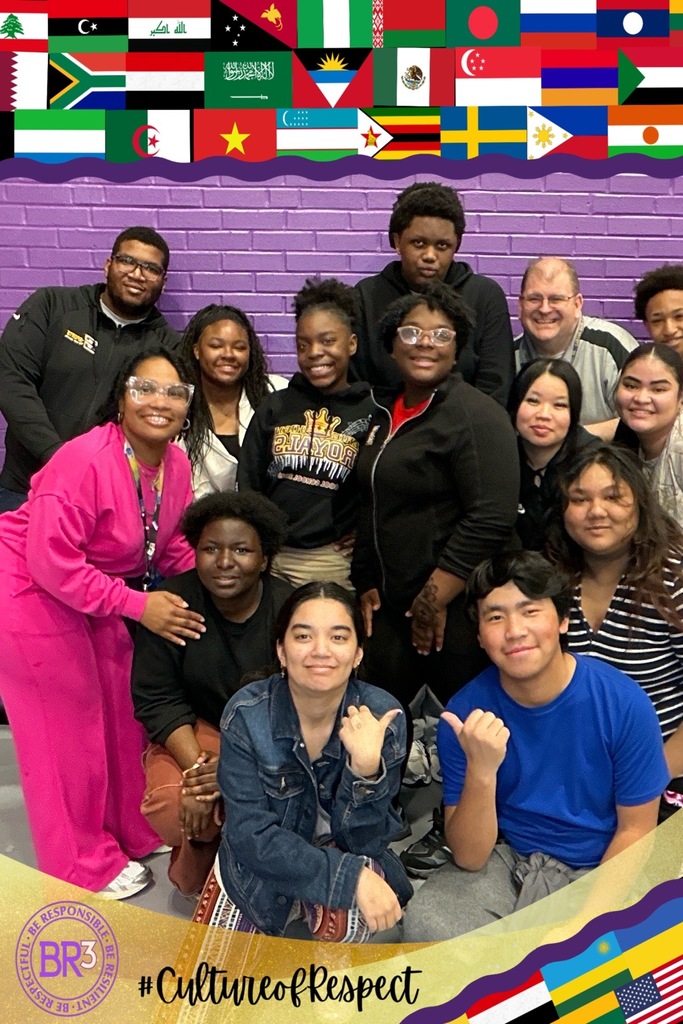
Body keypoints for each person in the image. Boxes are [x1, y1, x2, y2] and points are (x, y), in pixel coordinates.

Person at [0, 347, 205, 898]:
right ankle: (79, 864)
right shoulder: (81, 460)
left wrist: (215, 583)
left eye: (173, 392)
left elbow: (173, 545)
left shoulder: (177, 464)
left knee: (120, 705)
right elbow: (50, 562)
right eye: (145, 388)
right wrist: (141, 606)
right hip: (28, 588)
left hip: (95, 590)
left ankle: (129, 829)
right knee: (65, 728)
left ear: (188, 404)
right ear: (120, 398)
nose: (159, 401)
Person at [403, 552, 669, 942]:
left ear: (562, 621)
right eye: (495, 617)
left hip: (607, 863)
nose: (514, 631)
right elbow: (470, 856)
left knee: (621, 974)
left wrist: (585, 926)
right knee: (429, 921)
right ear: (479, 636)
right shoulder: (465, 714)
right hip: (511, 859)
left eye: (530, 611)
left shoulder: (623, 702)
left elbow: (636, 830)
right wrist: (481, 769)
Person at [351, 281, 519, 878]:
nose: (426, 344)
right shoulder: (387, 412)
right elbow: (371, 505)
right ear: (391, 345)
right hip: (395, 604)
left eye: (442, 334)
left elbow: (493, 513)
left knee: (476, 721)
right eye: (412, 333)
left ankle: (490, 827)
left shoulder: (474, 413)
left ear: (460, 347)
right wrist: (368, 577)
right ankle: (377, 816)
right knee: (381, 710)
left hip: (459, 609)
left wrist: (436, 594)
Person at [192, 581, 413, 940]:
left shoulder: (383, 716)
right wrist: (349, 877)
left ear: (358, 653)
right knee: (204, 986)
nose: (321, 651)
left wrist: (366, 771)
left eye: (339, 637)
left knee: (343, 973)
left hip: (342, 847)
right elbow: (250, 836)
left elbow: (365, 842)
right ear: (281, 650)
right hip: (261, 862)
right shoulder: (246, 714)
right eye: (303, 636)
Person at [131, 491, 292, 896]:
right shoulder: (173, 604)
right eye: (210, 549)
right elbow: (158, 700)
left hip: (273, 740)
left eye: (241, 549)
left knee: (265, 801)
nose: (224, 562)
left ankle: (243, 869)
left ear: (264, 557)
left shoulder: (291, 609)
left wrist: (234, 770)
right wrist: (201, 772)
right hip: (197, 732)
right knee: (173, 805)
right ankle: (209, 865)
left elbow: (307, 702)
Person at [0, 226, 180, 511]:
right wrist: (57, 457)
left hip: (104, 500)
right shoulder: (51, 307)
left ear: (163, 281)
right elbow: (11, 381)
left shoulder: (167, 347)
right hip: (24, 487)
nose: (137, 274)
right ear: (108, 265)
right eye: (127, 261)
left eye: (150, 268)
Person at [546, 444, 683, 819]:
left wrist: (648, 778)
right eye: (580, 499)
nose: (596, 512)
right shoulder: (551, 579)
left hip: (665, 770)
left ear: (639, 503)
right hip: (577, 772)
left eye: (613, 497)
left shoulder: (673, 576)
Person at [237, 278, 373, 590]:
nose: (315, 353)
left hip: (330, 559)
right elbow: (250, 480)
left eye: (327, 341)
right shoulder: (276, 405)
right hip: (272, 555)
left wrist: (363, 532)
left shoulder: (369, 412)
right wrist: (261, 543)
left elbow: (378, 486)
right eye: (303, 344)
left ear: (351, 344)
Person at [351, 181, 515, 405]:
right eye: (418, 243)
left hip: (465, 431)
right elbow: (356, 383)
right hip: (385, 429)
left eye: (442, 246)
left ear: (456, 245)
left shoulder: (484, 297)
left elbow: (496, 386)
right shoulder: (366, 297)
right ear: (397, 242)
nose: (429, 255)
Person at [515, 257, 638, 440]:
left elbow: (641, 417)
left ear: (577, 304)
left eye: (556, 299)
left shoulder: (610, 346)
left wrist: (568, 439)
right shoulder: (508, 355)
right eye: (534, 298)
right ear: (520, 304)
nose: (545, 308)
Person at [179, 304, 287, 498]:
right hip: (198, 522)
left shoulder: (277, 393)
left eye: (239, 347)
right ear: (196, 350)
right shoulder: (178, 404)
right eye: (216, 346)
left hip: (269, 518)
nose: (228, 354)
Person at [508, 358, 599, 550]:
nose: (544, 414)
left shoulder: (593, 462)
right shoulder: (500, 454)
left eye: (559, 405)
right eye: (533, 401)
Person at [614, 343, 683, 528]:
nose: (641, 398)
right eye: (631, 385)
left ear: (680, 398)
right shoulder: (624, 438)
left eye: (658, 389)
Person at [634, 264, 683, 357]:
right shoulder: (642, 369)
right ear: (647, 325)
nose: (669, 330)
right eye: (657, 321)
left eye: (679, 316)